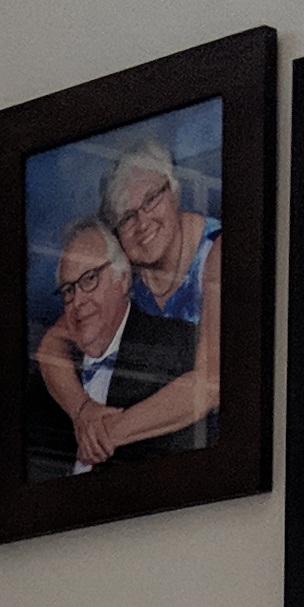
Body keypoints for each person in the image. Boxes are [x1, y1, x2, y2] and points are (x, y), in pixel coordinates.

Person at [34, 136, 221, 470]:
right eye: (127, 217)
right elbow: (51, 346)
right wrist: (83, 411)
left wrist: (105, 433)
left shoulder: (217, 254)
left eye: (151, 200)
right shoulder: (125, 268)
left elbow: (210, 384)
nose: (142, 222)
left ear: (174, 191)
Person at [25, 219, 203, 478]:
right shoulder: (44, 385)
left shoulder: (177, 346)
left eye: (90, 279)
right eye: (68, 290)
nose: (78, 301)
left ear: (123, 279)